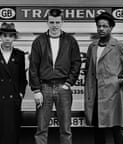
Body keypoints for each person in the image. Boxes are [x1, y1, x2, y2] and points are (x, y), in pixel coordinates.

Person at [84, 12, 123, 144]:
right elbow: (88, 69)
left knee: (116, 129)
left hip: (113, 95)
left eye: (105, 26)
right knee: (98, 129)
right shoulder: (92, 46)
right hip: (96, 95)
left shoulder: (119, 46)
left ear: (111, 28)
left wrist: (121, 80)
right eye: (99, 26)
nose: (101, 29)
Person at [29, 8, 81, 144]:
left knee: (66, 128)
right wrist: (36, 90)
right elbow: (33, 66)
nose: (54, 25)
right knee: (41, 127)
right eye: (51, 22)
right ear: (47, 22)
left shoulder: (70, 41)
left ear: (62, 22)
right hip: (44, 87)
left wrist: (68, 83)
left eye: (57, 22)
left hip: (63, 87)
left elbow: (76, 63)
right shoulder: (39, 41)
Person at [0, 22, 27, 144]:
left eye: (10, 36)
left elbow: (23, 78)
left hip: (13, 100)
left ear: (14, 38)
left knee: (12, 133)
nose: (7, 38)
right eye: (5, 35)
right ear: (0, 36)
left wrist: (20, 94)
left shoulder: (20, 55)